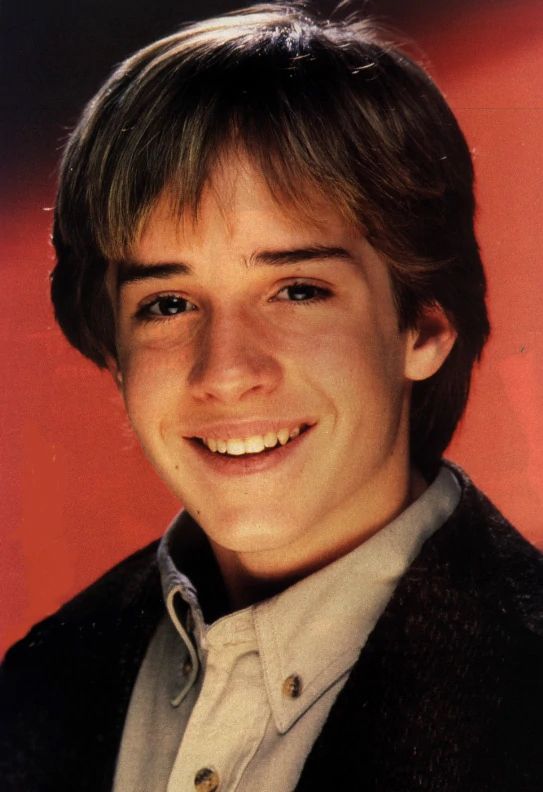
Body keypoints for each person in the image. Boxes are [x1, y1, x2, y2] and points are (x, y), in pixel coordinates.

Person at [1, 3, 542, 790]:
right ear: (116, 359)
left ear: (422, 326)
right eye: (167, 304)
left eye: (295, 289)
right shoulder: (41, 682)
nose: (224, 371)